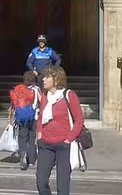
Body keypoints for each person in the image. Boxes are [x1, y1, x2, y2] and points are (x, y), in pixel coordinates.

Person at [36, 66, 85, 195]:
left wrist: (68, 139)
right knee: (41, 181)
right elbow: (41, 117)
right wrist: (40, 134)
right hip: (46, 143)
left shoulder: (69, 95)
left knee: (62, 187)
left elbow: (79, 120)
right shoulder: (45, 95)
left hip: (64, 145)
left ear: (56, 80)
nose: (43, 79)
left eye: (47, 77)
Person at [9, 69, 41, 170]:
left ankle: (23, 153)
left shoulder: (20, 89)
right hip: (34, 117)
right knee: (32, 138)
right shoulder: (36, 89)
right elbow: (41, 101)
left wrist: (12, 116)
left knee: (22, 137)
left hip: (22, 117)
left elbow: (14, 103)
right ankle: (31, 159)